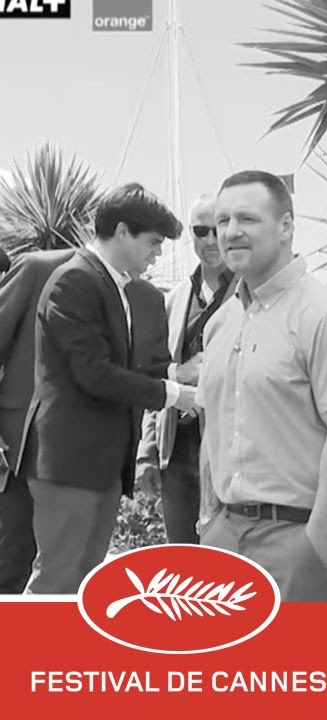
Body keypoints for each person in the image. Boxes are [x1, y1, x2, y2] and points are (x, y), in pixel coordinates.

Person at [198, 170, 327, 602]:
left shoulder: (325, 318)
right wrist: (208, 521)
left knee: (304, 670)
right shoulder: (221, 323)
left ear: (287, 227)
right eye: (222, 222)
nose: (230, 232)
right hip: (223, 536)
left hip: (297, 539)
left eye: (247, 219)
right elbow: (212, 422)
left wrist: (317, 539)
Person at [24, 183, 195, 594]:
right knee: (55, 584)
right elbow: (96, 374)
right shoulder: (75, 282)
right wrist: (175, 395)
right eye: (152, 243)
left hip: (97, 468)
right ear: (122, 232)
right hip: (71, 466)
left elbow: (125, 366)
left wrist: (175, 375)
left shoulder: (112, 285)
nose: (157, 255)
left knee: (78, 584)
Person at [136, 195, 235, 544]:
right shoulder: (173, 299)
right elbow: (155, 378)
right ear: (190, 235)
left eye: (218, 229)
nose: (210, 240)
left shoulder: (249, 293)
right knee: (184, 562)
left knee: (232, 565)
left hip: (231, 453)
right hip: (176, 451)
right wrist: (147, 452)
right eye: (200, 231)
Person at [0, 247, 75, 593]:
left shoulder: (131, 288)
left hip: (68, 460)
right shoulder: (36, 270)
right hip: (14, 454)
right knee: (11, 566)